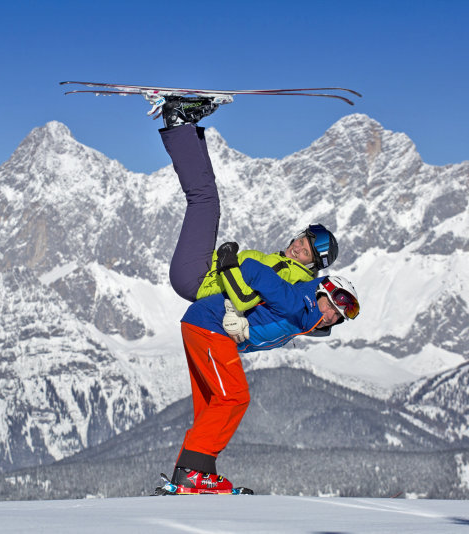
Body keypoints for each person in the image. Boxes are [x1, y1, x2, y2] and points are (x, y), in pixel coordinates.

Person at [155, 95, 361, 494]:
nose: (336, 313)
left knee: (216, 402)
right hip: (204, 301)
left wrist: (238, 300)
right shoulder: (300, 296)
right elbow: (251, 274)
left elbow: (261, 292)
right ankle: (181, 124)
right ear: (323, 284)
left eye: (344, 314)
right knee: (233, 397)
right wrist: (232, 272)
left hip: (205, 309)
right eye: (302, 240)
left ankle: (196, 475)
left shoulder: (302, 310)